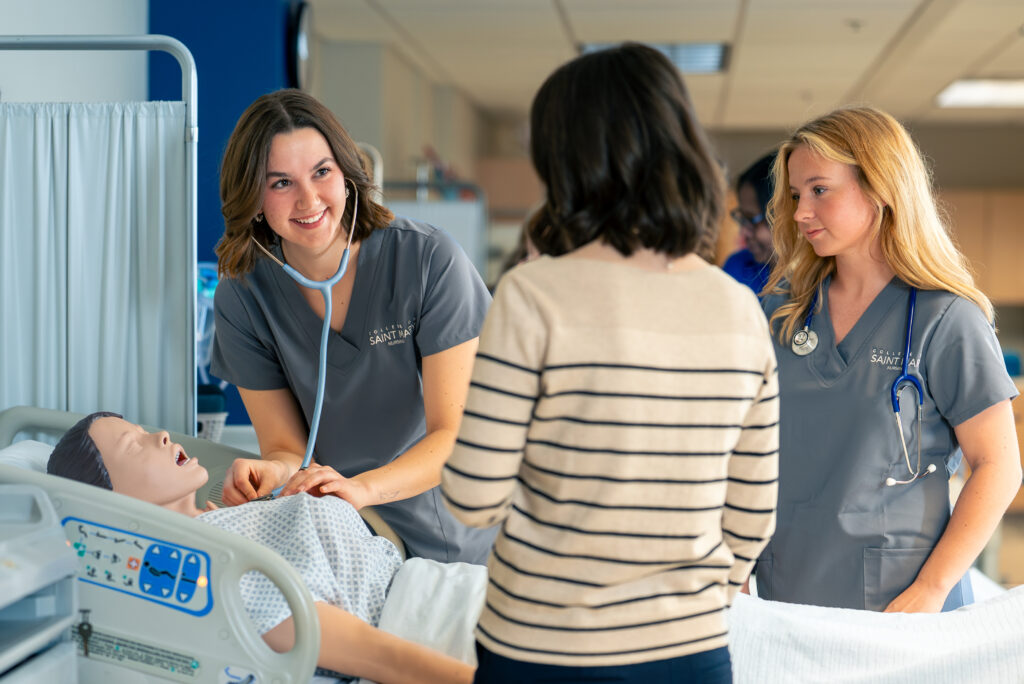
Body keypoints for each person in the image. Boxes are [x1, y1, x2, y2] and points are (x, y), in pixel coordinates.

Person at [441, 43, 779, 683]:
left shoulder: (533, 294)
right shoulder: (740, 309)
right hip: (689, 651)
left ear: (564, 161)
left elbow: (472, 495)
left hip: (541, 646)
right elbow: (753, 514)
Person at [210, 89, 496, 564]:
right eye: (280, 182)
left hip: (458, 537)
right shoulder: (243, 297)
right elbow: (286, 448)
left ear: (346, 174)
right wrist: (270, 472)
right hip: (352, 542)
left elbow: (454, 434)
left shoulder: (426, 261)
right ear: (253, 199)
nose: (308, 198)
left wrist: (359, 489)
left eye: (321, 172)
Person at [756, 105, 1022, 613]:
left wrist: (932, 589)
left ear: (880, 187)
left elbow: (998, 465)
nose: (799, 213)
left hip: (902, 606)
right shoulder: (780, 314)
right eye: (794, 195)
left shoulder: (946, 319)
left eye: (819, 190)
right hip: (787, 595)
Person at [45, 412, 474, 684]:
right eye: (131, 444)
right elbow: (372, 655)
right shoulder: (204, 566)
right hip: (431, 625)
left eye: (141, 430)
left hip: (448, 589)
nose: (158, 435)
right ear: (109, 503)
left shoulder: (225, 523)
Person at [722, 152, 777, 294]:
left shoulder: (823, 284)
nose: (743, 233)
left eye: (752, 220)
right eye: (742, 219)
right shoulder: (737, 267)